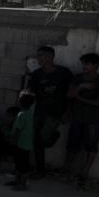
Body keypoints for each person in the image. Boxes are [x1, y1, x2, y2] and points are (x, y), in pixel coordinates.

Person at [27, 46, 73, 177]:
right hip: (40, 111)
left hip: (56, 113)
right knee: (36, 141)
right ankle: (40, 170)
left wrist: (67, 111)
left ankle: (54, 136)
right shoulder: (37, 74)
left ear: (50, 57)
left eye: (40, 55)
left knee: (44, 139)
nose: (38, 58)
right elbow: (31, 93)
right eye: (38, 55)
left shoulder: (64, 73)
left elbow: (70, 94)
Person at [65, 52, 99, 187]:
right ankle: (67, 170)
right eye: (83, 63)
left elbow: (98, 102)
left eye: (87, 64)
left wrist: (79, 97)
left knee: (91, 146)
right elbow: (69, 95)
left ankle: (85, 173)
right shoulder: (78, 78)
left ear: (96, 65)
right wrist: (81, 87)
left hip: (93, 119)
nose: (84, 66)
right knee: (72, 145)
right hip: (77, 117)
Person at [6, 91, 35, 191]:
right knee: (20, 163)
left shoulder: (21, 114)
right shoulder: (29, 113)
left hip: (20, 143)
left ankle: (22, 183)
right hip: (26, 143)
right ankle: (17, 181)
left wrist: (13, 140)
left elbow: (18, 130)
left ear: (20, 102)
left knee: (22, 164)